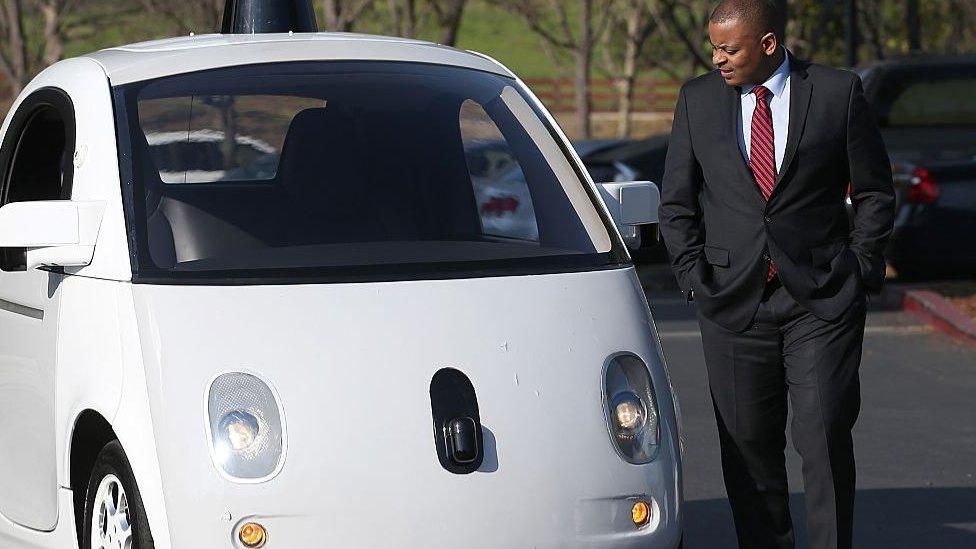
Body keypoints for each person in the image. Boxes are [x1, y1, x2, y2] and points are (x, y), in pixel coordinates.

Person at [657, 1, 895, 548]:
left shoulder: (836, 92)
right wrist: (694, 275)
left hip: (822, 299)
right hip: (732, 302)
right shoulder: (697, 100)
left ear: (767, 44)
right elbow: (677, 202)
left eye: (729, 48)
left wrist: (859, 268)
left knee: (824, 435)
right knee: (748, 451)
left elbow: (876, 192)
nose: (717, 58)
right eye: (713, 46)